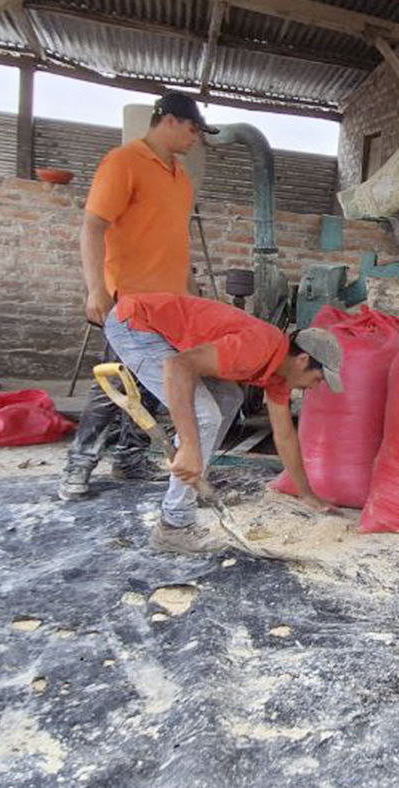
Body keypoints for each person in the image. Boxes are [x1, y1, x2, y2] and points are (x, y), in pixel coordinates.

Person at [59, 92, 218, 502]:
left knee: (154, 383)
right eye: (193, 128)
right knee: (115, 381)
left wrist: (193, 298)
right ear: (169, 120)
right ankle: (79, 464)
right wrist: (96, 288)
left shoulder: (180, 177)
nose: (196, 138)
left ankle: (129, 458)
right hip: (128, 301)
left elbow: (176, 243)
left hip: (169, 304)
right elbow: (93, 227)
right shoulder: (123, 162)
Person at [104, 291, 344, 554]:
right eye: (318, 379)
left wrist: (307, 494)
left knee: (229, 399)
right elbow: (178, 366)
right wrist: (190, 447)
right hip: (137, 324)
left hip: (155, 326)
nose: (315, 387)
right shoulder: (258, 348)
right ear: (302, 360)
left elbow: (285, 436)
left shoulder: (279, 374)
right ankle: (174, 525)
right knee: (205, 414)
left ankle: (193, 486)